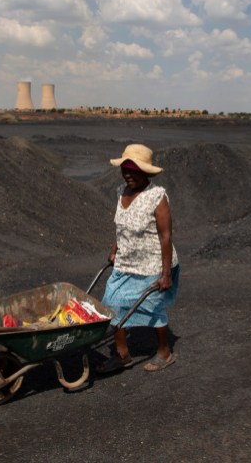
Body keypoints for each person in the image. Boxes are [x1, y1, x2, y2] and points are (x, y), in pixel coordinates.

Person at [96, 144, 180, 373]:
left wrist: (165, 275)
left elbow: (166, 235)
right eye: (125, 170)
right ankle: (122, 355)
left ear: (146, 172)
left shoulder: (157, 196)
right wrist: (114, 248)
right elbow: (122, 225)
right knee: (112, 303)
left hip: (153, 262)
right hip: (127, 260)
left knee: (152, 308)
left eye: (134, 170)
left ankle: (164, 351)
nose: (128, 175)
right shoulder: (120, 191)